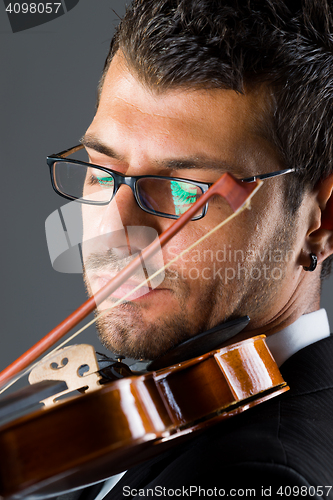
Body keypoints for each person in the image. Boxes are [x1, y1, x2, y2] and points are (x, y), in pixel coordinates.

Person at [53, 0, 333, 498]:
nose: (116, 231)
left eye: (186, 191)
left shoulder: (258, 480)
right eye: (101, 172)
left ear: (322, 221)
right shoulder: (146, 416)